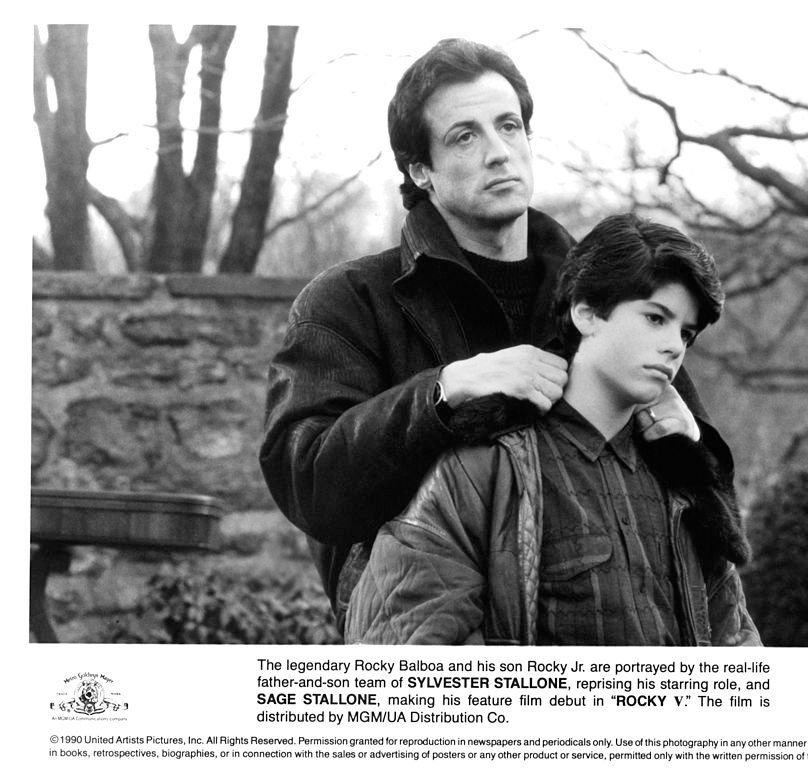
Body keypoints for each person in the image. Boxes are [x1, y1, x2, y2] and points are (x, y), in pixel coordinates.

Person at [259, 39, 735, 636]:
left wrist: (695, 452)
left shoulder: (607, 294)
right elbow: (310, 487)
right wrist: (441, 394)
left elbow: (711, 524)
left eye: (509, 126)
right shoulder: (348, 302)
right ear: (419, 170)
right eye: (465, 136)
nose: (499, 153)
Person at [344, 214, 760, 645]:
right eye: (656, 318)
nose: (675, 345)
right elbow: (401, 659)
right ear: (587, 313)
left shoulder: (684, 484)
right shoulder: (484, 469)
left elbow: (739, 653)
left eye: (686, 333)